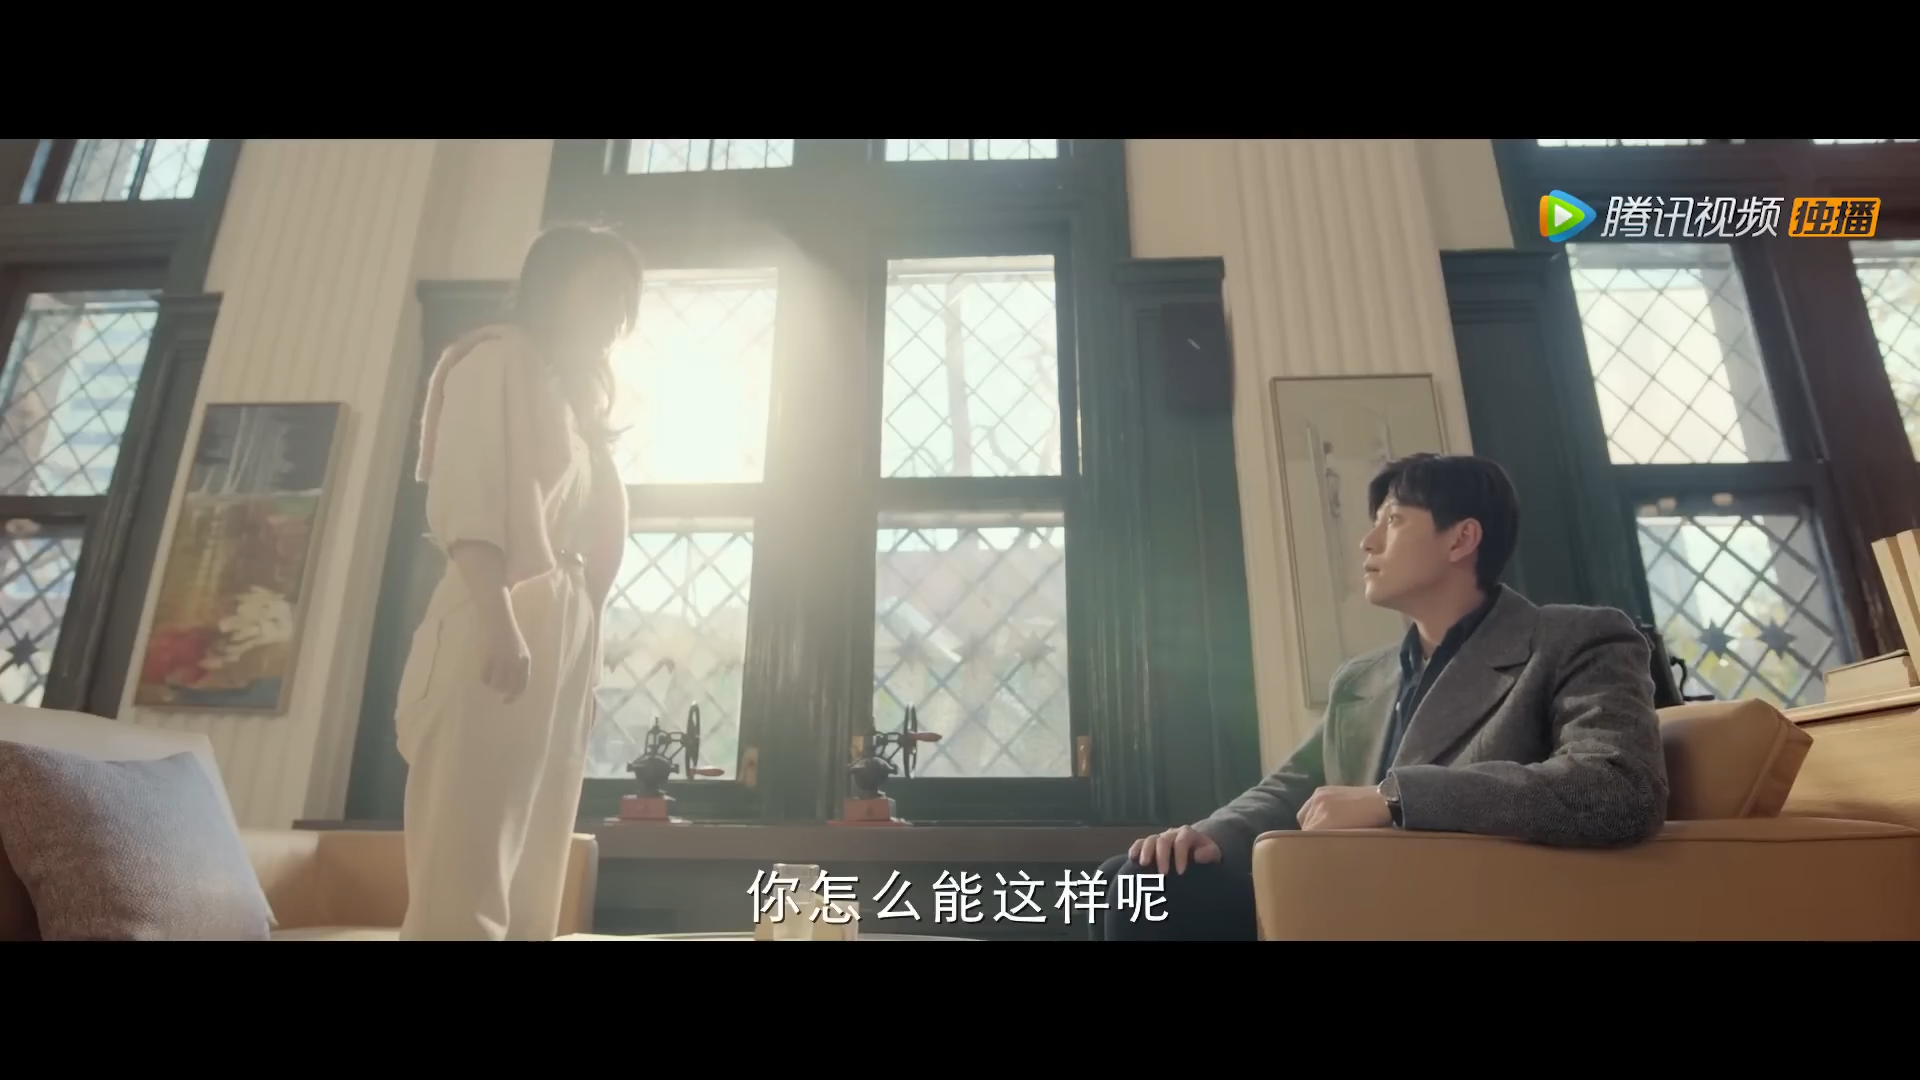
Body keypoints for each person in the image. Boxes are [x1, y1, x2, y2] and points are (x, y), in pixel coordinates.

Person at [1102, 453, 1668, 941]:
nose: (1367, 542)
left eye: (1393, 520)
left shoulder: (1573, 638)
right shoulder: (1362, 677)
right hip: (1349, 891)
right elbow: (1292, 788)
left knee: (1149, 894)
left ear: (1461, 539)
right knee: (1130, 880)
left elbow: (1619, 786)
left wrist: (1394, 798)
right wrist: (1208, 835)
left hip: (1466, 903)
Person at [396, 224, 636, 940]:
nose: (614, 312)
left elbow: (590, 544)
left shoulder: (572, 401)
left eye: (622, 299)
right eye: (601, 289)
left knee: (535, 858)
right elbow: (469, 494)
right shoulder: (497, 361)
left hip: (560, 619)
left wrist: (585, 666)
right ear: (554, 285)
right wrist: (499, 619)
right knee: (469, 851)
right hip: (497, 605)